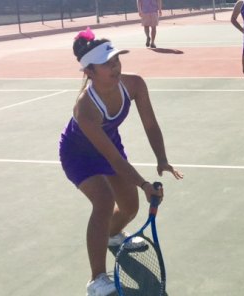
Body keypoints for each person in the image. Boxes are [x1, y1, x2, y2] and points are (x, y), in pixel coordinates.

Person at [59, 27, 183, 296]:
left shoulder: (134, 84)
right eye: (106, 64)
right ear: (89, 72)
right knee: (103, 202)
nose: (115, 67)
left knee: (129, 208)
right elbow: (113, 159)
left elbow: (150, 124)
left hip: (109, 144)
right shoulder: (86, 109)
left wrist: (161, 158)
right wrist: (142, 183)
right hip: (78, 155)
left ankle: (113, 236)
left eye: (116, 60)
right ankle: (96, 279)